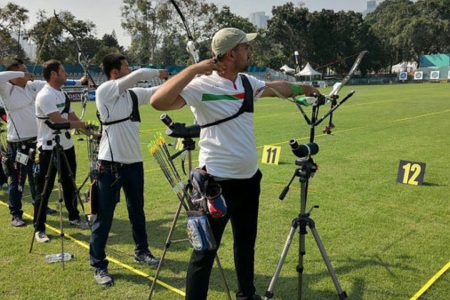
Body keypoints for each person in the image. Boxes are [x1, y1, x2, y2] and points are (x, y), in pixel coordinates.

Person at [150, 27, 320, 300]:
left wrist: (307, 88)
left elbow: (278, 88)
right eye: (245, 47)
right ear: (231, 53)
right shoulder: (200, 86)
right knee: (204, 252)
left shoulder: (246, 83)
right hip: (215, 185)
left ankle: (246, 295)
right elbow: (157, 101)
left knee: (245, 245)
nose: (249, 52)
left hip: (249, 181)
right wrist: (195, 69)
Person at [89, 53, 168, 286]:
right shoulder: (104, 90)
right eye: (126, 66)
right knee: (104, 217)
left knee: (137, 211)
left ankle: (142, 251)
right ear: (115, 72)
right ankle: (99, 265)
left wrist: (181, 79)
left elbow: (156, 93)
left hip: (134, 163)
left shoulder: (132, 95)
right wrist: (159, 73)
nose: (130, 69)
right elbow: (142, 74)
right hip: (109, 164)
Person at [0, 58, 85, 226]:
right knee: (17, 179)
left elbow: (55, 82)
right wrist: (22, 73)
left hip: (37, 142)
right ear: (15, 72)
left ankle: (40, 207)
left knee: (37, 179)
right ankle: (15, 213)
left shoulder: (33, 86)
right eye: (23, 70)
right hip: (17, 142)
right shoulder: (6, 87)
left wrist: (79, 81)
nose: (28, 73)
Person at [33, 59, 93, 242]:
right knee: (44, 189)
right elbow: (58, 121)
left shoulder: (61, 94)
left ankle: (74, 216)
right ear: (53, 74)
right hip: (49, 149)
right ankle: (39, 228)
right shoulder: (45, 95)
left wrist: (92, 133)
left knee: (69, 184)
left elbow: (71, 116)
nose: (66, 74)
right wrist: (84, 123)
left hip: (67, 146)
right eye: (63, 71)